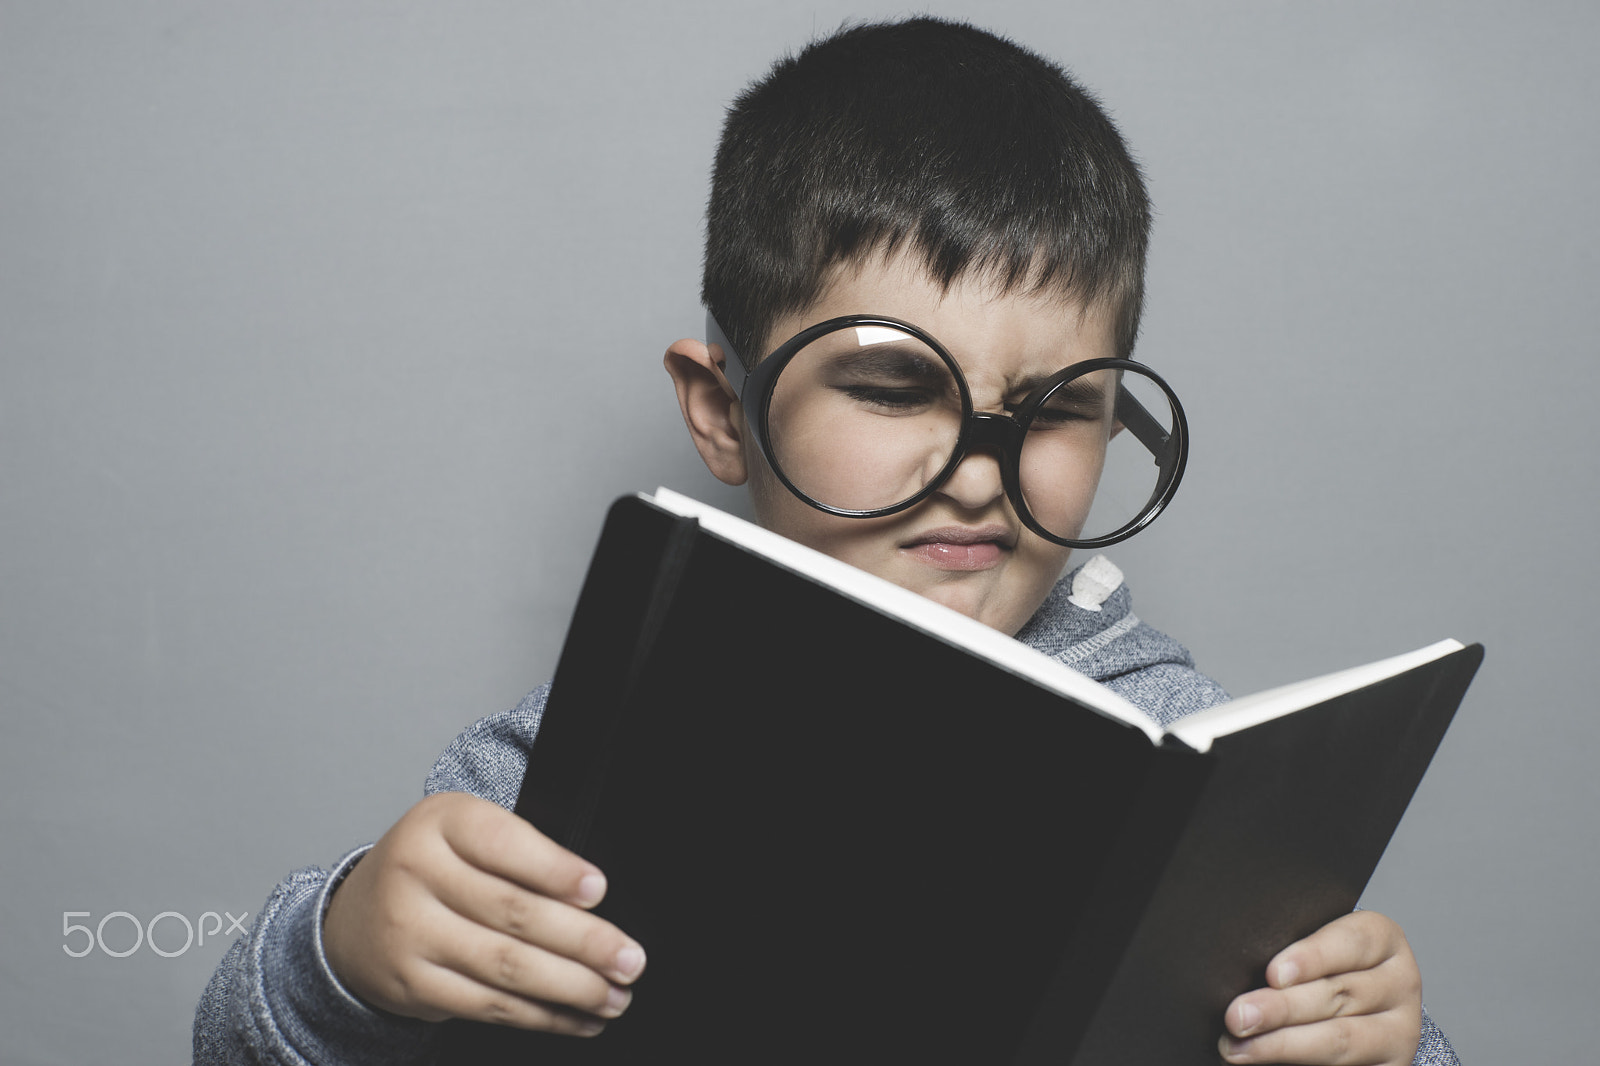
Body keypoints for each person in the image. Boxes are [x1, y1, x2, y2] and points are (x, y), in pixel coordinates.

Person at [194, 17, 1457, 1066]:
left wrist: (1382, 1042)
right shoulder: (568, 758)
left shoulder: (1188, 759)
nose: (975, 474)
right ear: (722, 413)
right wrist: (338, 959)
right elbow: (239, 1042)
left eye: (1058, 407)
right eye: (896, 387)